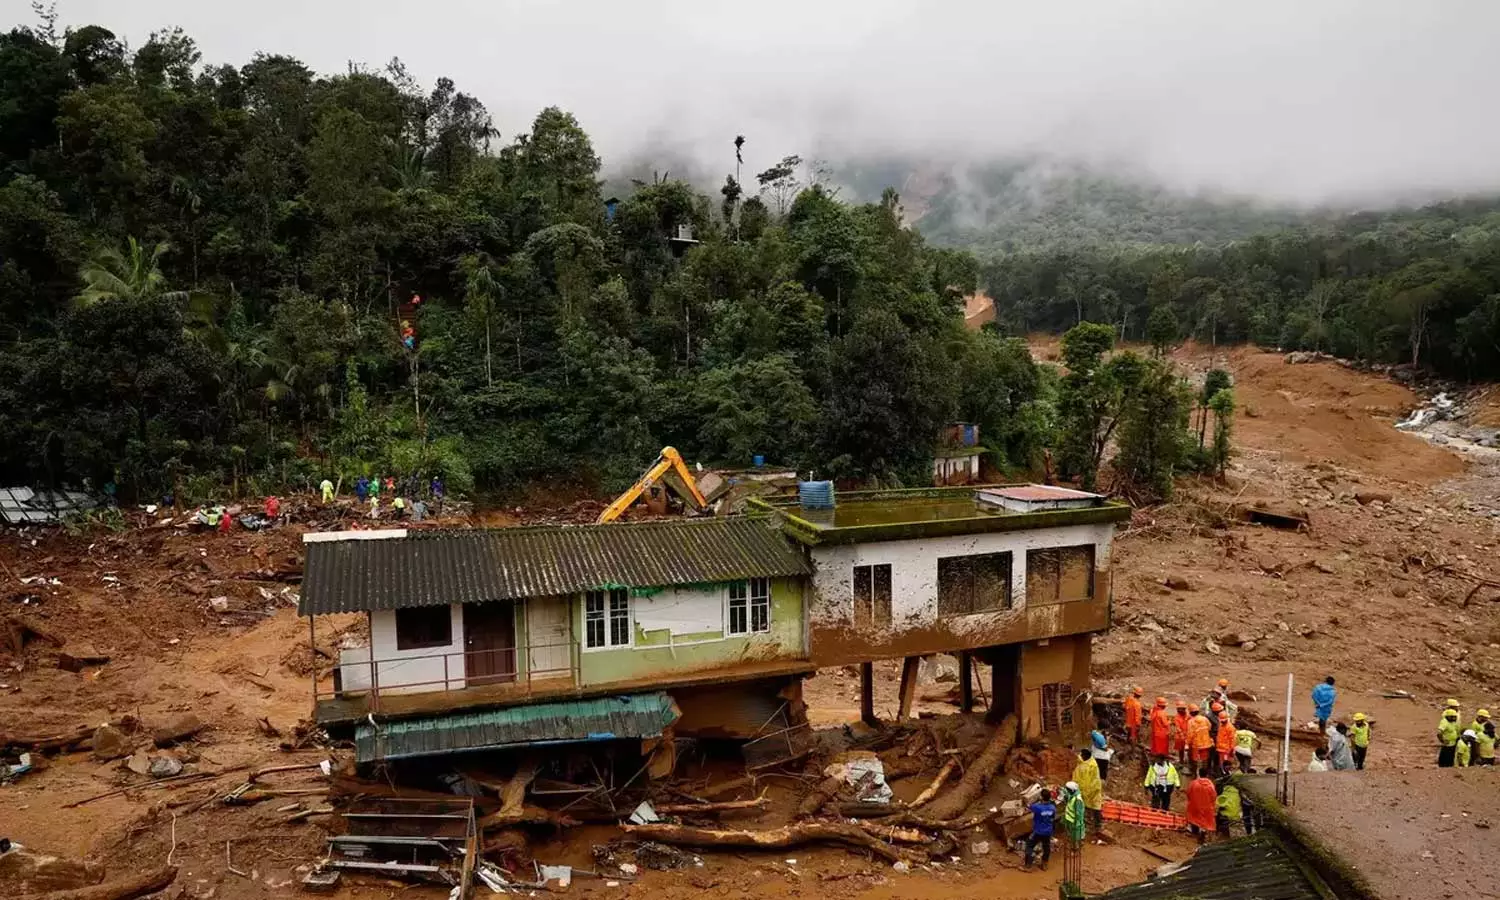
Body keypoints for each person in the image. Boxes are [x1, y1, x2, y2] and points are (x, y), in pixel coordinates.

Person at [1072, 748, 1104, 835]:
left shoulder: (1091, 766)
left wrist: (1087, 792)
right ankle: (1087, 824)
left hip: (1092, 791)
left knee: (1095, 808)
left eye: (1081, 755)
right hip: (1083, 790)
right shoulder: (1082, 762)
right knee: (1087, 808)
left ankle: (1098, 826)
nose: (1080, 756)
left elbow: (1092, 782)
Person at [1023, 788, 1056, 870]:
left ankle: (1028, 865)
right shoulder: (1052, 807)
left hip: (1038, 832)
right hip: (1048, 831)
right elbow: (1052, 818)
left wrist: (1036, 800)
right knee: (1046, 847)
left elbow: (1028, 805)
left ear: (1041, 797)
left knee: (1029, 845)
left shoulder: (1037, 807)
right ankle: (1045, 864)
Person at [1185, 769, 1218, 844]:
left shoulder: (1194, 783)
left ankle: (1195, 832)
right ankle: (1202, 834)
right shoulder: (1210, 785)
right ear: (1207, 775)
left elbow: (1188, 793)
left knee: (1194, 819)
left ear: (1199, 774)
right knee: (1205, 822)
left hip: (1195, 805)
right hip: (1206, 806)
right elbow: (1214, 796)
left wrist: (1191, 800)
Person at [1060, 781, 1087, 847]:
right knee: (1071, 834)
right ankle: (1075, 843)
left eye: (1067, 790)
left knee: (1076, 835)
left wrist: (1077, 822)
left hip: (1074, 821)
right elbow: (1067, 795)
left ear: (1071, 790)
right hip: (1069, 819)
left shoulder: (1078, 800)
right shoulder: (1073, 794)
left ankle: (1076, 846)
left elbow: (1079, 813)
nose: (1066, 791)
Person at [1188, 705, 1214, 771]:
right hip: (1206, 743)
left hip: (1196, 744)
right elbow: (1209, 727)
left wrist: (1188, 743)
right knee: (1204, 759)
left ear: (1190, 713)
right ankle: (1204, 773)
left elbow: (1190, 734)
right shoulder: (1205, 719)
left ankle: (1195, 772)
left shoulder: (1190, 722)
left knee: (1195, 759)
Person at [1173, 700, 1191, 765]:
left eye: (1181, 709)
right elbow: (1178, 727)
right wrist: (1182, 735)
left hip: (1188, 734)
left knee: (1189, 750)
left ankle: (1189, 761)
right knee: (1181, 750)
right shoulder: (1176, 717)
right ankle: (1181, 761)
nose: (1179, 710)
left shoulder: (1188, 716)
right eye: (1178, 709)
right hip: (1180, 737)